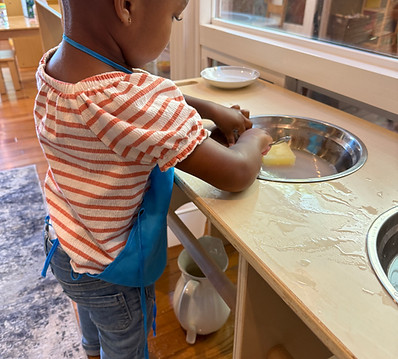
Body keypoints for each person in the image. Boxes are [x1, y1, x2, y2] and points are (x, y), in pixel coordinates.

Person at [34, 1, 273, 358]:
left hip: (64, 245)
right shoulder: (124, 101)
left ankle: (90, 351)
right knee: (125, 346)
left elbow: (144, 93)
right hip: (110, 272)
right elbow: (236, 172)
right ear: (127, 6)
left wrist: (208, 109)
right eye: (175, 16)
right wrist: (257, 139)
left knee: (93, 326)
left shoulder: (54, 66)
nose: (172, 28)